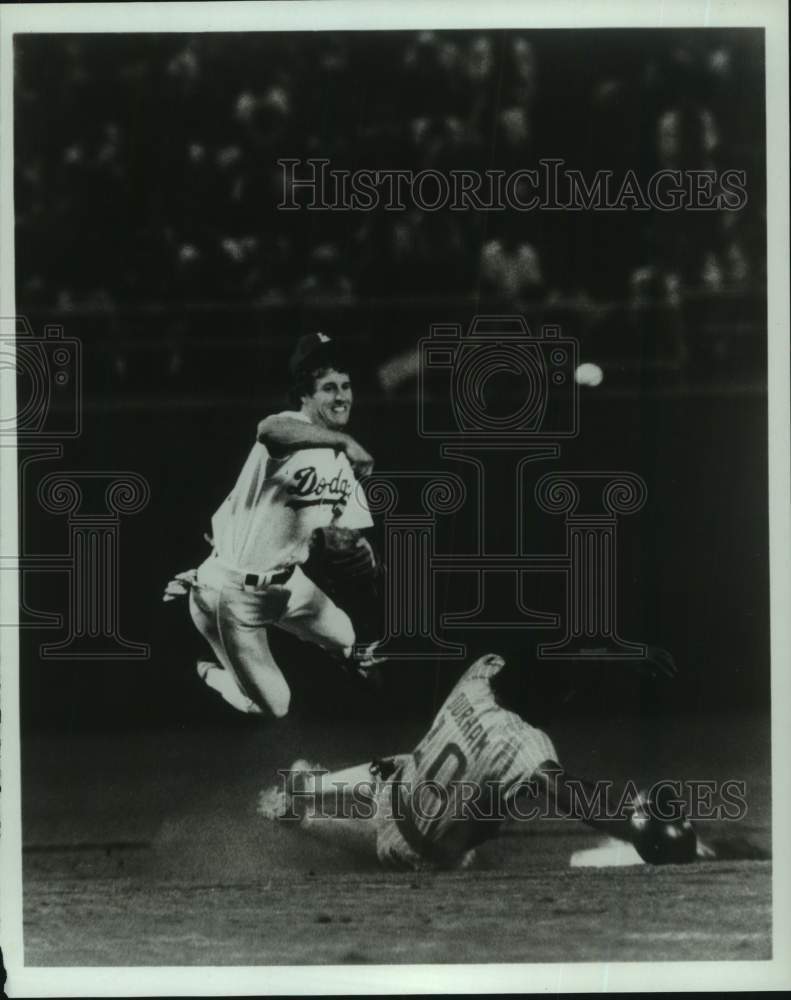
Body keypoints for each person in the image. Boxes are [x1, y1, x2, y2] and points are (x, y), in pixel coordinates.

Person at [258, 653, 712, 869]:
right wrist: (637, 827)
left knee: (410, 767)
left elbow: (550, 659)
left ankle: (311, 790)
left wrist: (613, 659)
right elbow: (576, 797)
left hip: (393, 783)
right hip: (413, 848)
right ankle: (304, 816)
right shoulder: (522, 743)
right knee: (474, 833)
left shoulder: (483, 672)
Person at [168, 331, 382, 719]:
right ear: (305, 395)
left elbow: (347, 538)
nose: (342, 396)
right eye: (328, 387)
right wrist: (343, 441)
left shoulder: (342, 463)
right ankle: (209, 673)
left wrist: (357, 550)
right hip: (231, 594)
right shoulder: (291, 427)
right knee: (274, 706)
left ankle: (352, 664)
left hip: (287, 583)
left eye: (346, 386)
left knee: (347, 637)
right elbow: (268, 429)